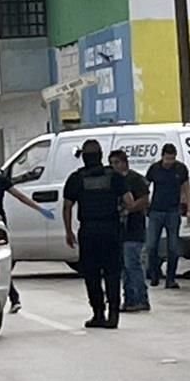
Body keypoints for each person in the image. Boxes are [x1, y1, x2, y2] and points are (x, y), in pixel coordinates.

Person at [0, 153, 55, 313]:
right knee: (1, 261)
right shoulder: (0, 180)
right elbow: (20, 196)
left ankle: (11, 297)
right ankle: (14, 298)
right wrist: (40, 209)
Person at [63, 140, 133, 329]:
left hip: (89, 231)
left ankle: (98, 313)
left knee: (91, 274)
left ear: (84, 157)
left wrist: (68, 231)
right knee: (112, 273)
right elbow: (129, 201)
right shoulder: (114, 176)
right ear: (101, 155)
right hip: (111, 230)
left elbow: (67, 206)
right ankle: (113, 314)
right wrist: (121, 213)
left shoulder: (76, 178)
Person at [108, 150, 151, 313]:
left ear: (125, 163)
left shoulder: (135, 179)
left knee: (133, 264)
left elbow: (145, 200)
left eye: (117, 162)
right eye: (111, 163)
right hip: (119, 230)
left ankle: (140, 298)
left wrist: (129, 208)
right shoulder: (113, 180)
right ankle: (129, 299)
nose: (114, 166)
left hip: (134, 228)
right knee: (124, 268)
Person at [145, 143, 190, 290]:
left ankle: (170, 278)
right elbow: (145, 187)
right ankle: (154, 273)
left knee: (173, 247)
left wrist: (189, 208)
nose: (169, 162)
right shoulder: (154, 169)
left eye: (172, 159)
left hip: (173, 211)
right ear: (162, 156)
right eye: (167, 159)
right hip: (156, 211)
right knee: (151, 245)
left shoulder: (180, 169)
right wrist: (145, 204)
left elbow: (187, 189)